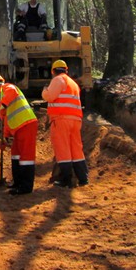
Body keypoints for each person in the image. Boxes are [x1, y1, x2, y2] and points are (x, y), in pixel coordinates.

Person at [0, 74, 37, 195]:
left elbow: (13, 92)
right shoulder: (2, 100)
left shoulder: (7, 87)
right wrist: (5, 138)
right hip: (18, 128)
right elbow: (6, 121)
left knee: (26, 156)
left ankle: (26, 187)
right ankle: (17, 182)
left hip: (26, 124)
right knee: (15, 154)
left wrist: (4, 105)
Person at [42, 59, 88, 187]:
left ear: (53, 71)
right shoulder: (73, 84)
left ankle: (66, 179)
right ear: (66, 70)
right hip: (76, 119)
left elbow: (50, 96)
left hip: (61, 119)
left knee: (63, 148)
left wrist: (44, 91)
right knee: (76, 148)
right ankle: (83, 178)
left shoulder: (58, 80)